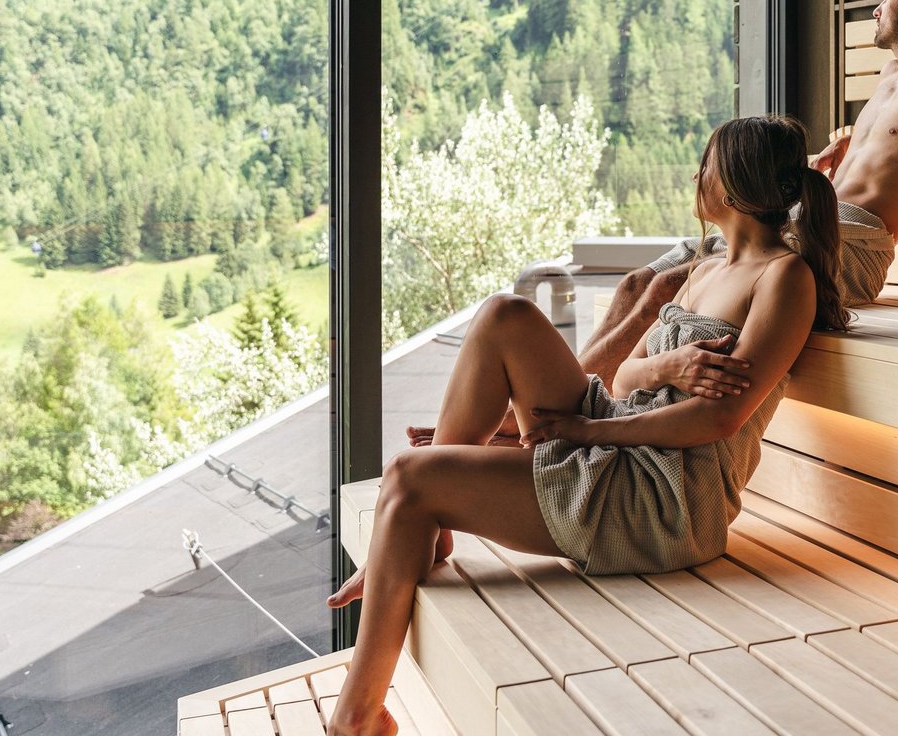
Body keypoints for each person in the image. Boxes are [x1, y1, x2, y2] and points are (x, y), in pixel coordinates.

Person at [406, 0, 898, 455]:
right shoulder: (887, 79)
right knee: (637, 284)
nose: (872, 12)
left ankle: (546, 422)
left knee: (662, 296)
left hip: (845, 247)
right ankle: (544, 415)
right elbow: (880, 153)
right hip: (802, 223)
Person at [323, 115, 847, 736]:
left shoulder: (785, 278)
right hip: (627, 434)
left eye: (704, 165)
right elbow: (626, 378)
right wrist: (669, 364)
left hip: (665, 498)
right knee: (504, 316)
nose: (694, 176)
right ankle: (423, 529)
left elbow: (720, 417)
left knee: (408, 476)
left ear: (729, 188)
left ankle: (354, 718)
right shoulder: (706, 270)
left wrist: (590, 432)